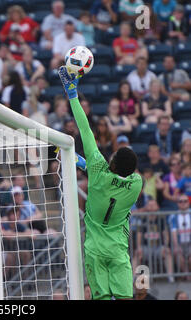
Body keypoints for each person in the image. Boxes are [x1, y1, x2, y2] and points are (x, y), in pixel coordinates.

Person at [58, 66, 143, 300]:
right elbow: (125, 171)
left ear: (112, 163)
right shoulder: (136, 184)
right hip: (117, 250)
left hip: (95, 249)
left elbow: (84, 128)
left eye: (113, 157)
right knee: (126, 297)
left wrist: (72, 93)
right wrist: (83, 163)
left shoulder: (98, 170)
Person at [134, 199, 174, 281]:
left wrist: (166, 246)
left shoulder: (161, 219)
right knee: (137, 254)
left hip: (158, 247)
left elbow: (165, 234)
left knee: (167, 252)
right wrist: (138, 247)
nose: (151, 207)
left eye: (153, 205)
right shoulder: (143, 219)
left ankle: (171, 277)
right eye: (150, 205)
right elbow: (139, 234)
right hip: (145, 247)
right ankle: (132, 278)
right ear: (146, 207)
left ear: (157, 207)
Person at [169, 194, 191, 276]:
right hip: (179, 243)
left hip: (189, 243)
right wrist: (176, 246)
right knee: (178, 254)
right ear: (177, 203)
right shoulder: (174, 216)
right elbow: (173, 232)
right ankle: (186, 275)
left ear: (188, 203)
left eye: (185, 201)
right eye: (180, 201)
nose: (183, 203)